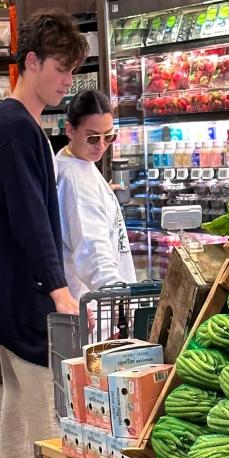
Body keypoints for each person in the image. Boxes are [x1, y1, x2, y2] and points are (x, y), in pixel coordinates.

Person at [0, 10, 88, 458]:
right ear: (31, 62)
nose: (67, 82)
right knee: (47, 411)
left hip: (3, 292)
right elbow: (28, 218)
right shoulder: (16, 129)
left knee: (20, 409)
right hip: (25, 296)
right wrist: (57, 286)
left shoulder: (7, 124)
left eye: (73, 72)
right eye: (61, 69)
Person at [56, 90, 136, 321]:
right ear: (70, 130)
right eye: (92, 137)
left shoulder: (78, 163)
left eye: (108, 137)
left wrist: (103, 195)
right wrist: (121, 300)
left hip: (100, 307)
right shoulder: (76, 181)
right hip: (97, 315)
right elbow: (92, 251)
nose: (101, 145)